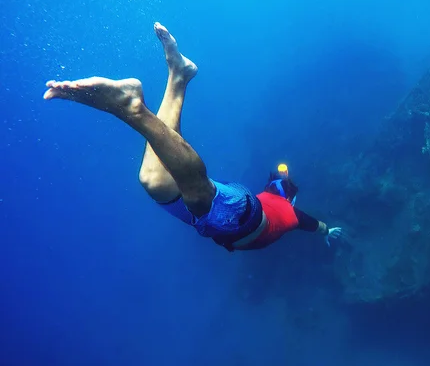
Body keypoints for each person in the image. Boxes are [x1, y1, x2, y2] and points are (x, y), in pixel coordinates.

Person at [43, 22, 342, 252]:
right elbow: (307, 222)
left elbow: (283, 184)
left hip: (229, 210)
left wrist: (288, 180)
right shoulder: (289, 214)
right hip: (243, 217)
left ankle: (179, 76)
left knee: (153, 181)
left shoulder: (275, 194)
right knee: (201, 196)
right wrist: (327, 231)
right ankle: (131, 108)